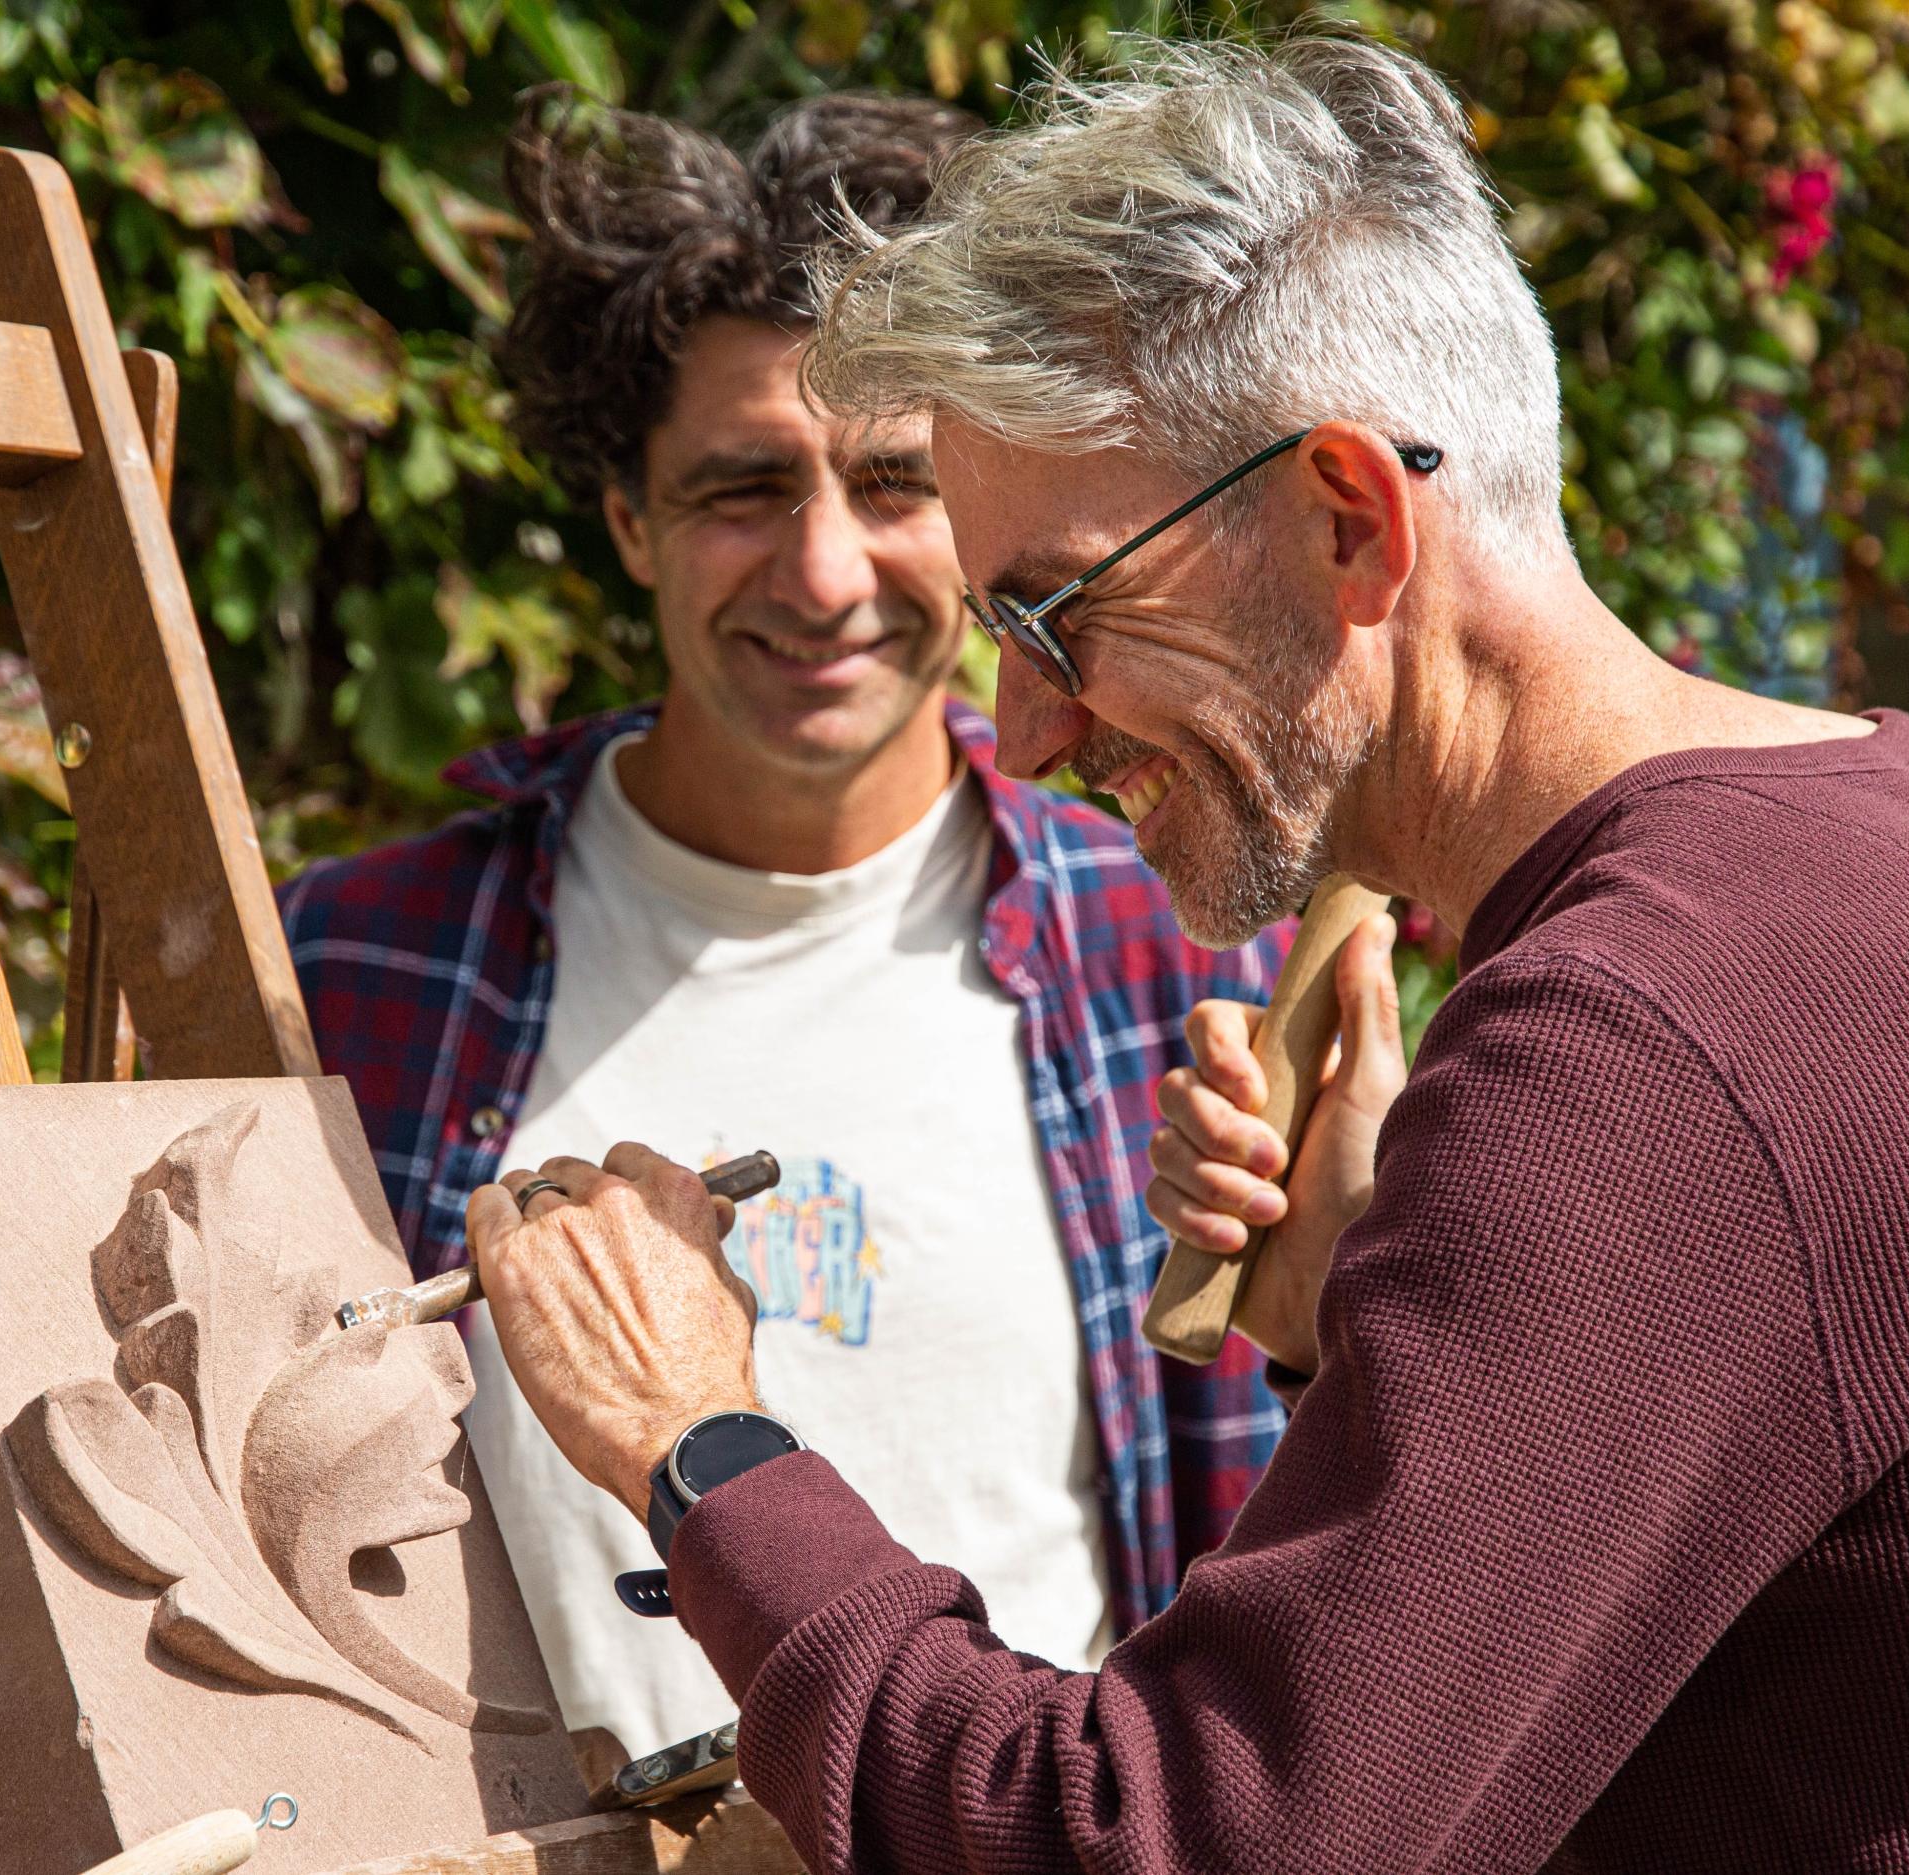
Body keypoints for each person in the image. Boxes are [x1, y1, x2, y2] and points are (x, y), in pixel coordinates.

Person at [460, 34, 1909, 1873]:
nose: (1015, 730)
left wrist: (696, 1443)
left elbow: (1167, 1845)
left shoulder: (1651, 1042)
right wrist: (1363, 1337)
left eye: (1054, 611)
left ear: (1348, 519)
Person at [275, 87, 1292, 1772]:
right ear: (628, 524)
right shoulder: (360, 966)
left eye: (895, 487)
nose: (824, 575)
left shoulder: (1176, 943)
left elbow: (1275, 1532)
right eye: (744, 487)